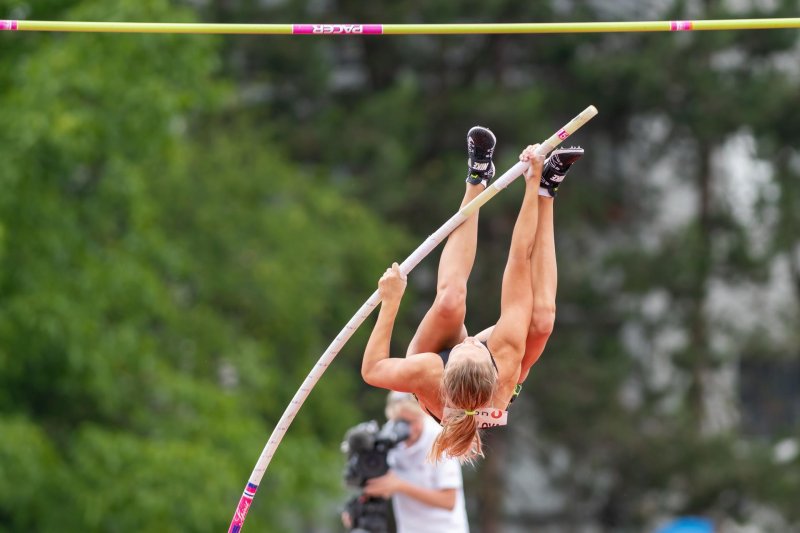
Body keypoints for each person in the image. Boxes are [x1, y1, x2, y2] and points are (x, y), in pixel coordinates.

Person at [361, 126, 583, 461]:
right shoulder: (505, 360)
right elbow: (519, 258)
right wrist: (534, 185)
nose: (467, 339)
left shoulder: (428, 371)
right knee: (542, 321)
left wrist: (390, 302)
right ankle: (550, 189)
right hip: (492, 390)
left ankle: (477, 175)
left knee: (450, 301)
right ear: (489, 366)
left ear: (446, 372)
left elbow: (372, 369)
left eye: (463, 347)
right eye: (474, 346)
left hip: (446, 387)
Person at [357, 391, 470, 533]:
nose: (410, 430)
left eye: (414, 421)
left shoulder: (440, 439)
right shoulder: (389, 437)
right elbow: (384, 484)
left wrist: (400, 486)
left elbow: (449, 501)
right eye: (403, 423)